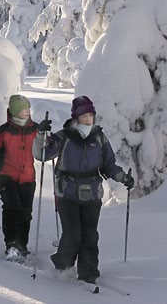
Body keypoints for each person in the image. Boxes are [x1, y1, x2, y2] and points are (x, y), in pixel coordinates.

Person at [33, 95, 134, 284]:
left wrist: (122, 177)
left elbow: (109, 164)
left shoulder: (99, 137)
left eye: (90, 115)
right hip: (67, 193)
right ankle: (62, 265)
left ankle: (88, 274)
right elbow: (41, 154)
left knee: (90, 236)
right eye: (84, 115)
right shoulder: (64, 137)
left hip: (92, 193)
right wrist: (40, 135)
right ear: (76, 117)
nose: (88, 119)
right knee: (72, 235)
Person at [0, 94, 48, 261]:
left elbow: (45, 148)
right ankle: (11, 245)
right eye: (23, 109)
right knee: (13, 206)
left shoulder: (35, 129)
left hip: (27, 177)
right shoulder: (5, 131)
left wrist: (43, 134)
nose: (27, 111)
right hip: (6, 175)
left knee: (26, 212)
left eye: (28, 108)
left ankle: (22, 244)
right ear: (14, 112)